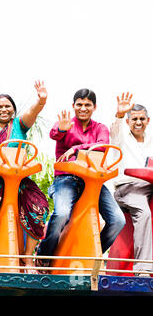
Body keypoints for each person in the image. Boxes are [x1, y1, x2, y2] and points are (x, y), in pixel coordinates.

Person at [36, 88, 126, 270]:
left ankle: (94, 253)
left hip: (92, 182)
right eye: (79, 104)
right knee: (61, 214)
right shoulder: (66, 124)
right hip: (66, 179)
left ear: (94, 107)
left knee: (118, 220)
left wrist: (77, 148)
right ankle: (44, 255)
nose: (83, 108)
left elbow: (102, 146)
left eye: (87, 105)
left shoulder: (100, 128)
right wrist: (61, 129)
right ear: (73, 106)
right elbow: (55, 133)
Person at [0, 76, 49, 273]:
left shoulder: (20, 126)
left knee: (39, 206)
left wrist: (41, 100)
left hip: (19, 179)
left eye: (7, 106)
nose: (3, 109)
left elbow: (33, 112)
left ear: (13, 110)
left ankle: (28, 258)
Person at [110, 92, 153, 275]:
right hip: (129, 187)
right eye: (134, 119)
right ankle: (143, 269)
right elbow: (114, 134)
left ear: (148, 120)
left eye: (142, 119)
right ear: (128, 121)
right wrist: (120, 115)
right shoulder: (122, 137)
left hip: (150, 185)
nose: (138, 122)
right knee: (144, 213)